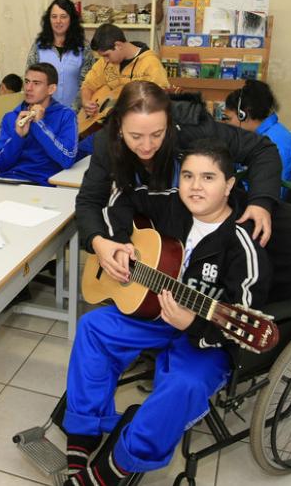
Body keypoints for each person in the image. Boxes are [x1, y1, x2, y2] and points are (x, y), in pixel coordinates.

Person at [62, 137, 271, 484]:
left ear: (229, 185)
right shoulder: (172, 204)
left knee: (184, 384)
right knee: (94, 327)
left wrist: (194, 324)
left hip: (207, 334)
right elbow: (120, 196)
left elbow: (243, 317)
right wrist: (115, 240)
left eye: (208, 178)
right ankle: (85, 429)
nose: (195, 186)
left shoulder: (244, 246)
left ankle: (118, 465)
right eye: (188, 176)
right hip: (157, 314)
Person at [76, 81, 281, 294]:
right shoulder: (105, 142)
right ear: (119, 127)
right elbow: (89, 200)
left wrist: (261, 202)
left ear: (169, 122)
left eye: (157, 134)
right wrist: (98, 241)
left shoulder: (195, 129)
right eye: (135, 136)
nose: (147, 146)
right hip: (149, 238)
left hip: (196, 234)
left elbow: (261, 150)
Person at [77, 23, 170, 155]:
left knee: (81, 150)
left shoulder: (150, 64)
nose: (105, 60)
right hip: (103, 124)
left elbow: (159, 101)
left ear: (118, 45)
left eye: (107, 55)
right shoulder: (105, 62)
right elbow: (88, 85)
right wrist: (86, 101)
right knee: (76, 146)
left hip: (131, 131)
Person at [0, 63, 77, 185]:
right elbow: (1, 165)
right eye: (27, 82)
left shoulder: (66, 115)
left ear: (51, 89)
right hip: (9, 180)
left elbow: (67, 160)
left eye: (36, 83)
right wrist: (18, 137)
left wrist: (39, 125)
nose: (28, 88)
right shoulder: (11, 117)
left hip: (42, 184)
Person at [223, 80, 291, 184]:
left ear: (243, 115)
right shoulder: (273, 133)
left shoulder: (270, 146)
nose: (226, 124)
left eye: (228, 119)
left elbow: (261, 190)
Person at [25, 0, 94, 109]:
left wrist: (71, 111)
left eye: (63, 16)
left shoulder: (83, 47)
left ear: (71, 20)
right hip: (44, 113)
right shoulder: (38, 46)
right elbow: (30, 81)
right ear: (49, 20)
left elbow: (88, 83)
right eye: (54, 17)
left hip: (75, 115)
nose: (58, 21)